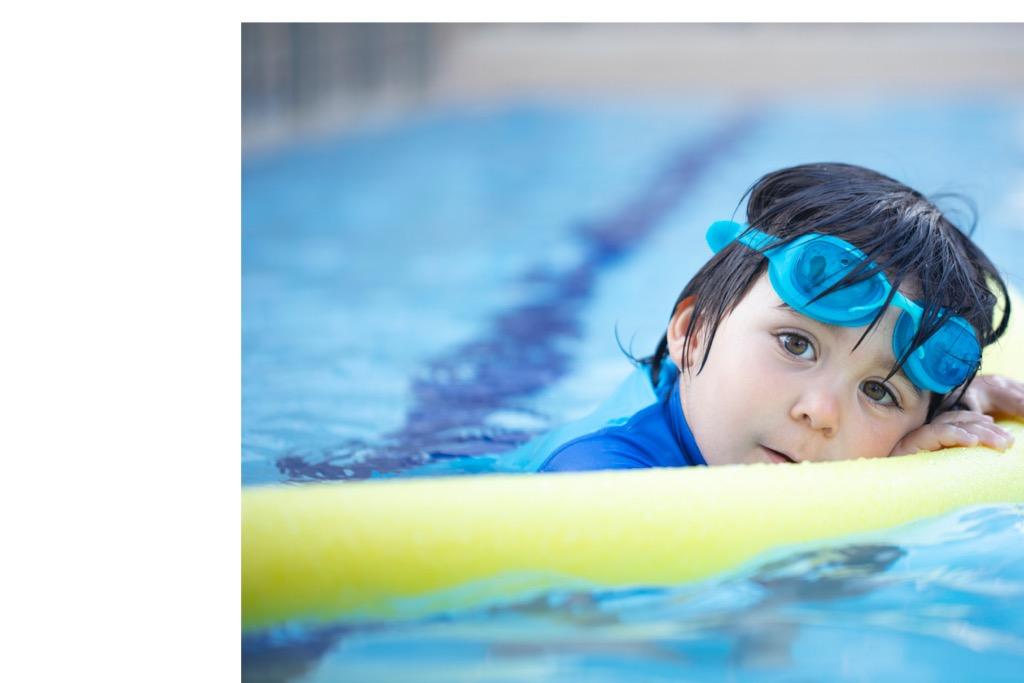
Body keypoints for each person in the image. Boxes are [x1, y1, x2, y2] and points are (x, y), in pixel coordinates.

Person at [539, 162, 1024, 472]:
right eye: (796, 344)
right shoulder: (594, 470)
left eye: (879, 391)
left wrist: (952, 406)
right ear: (692, 333)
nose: (821, 412)